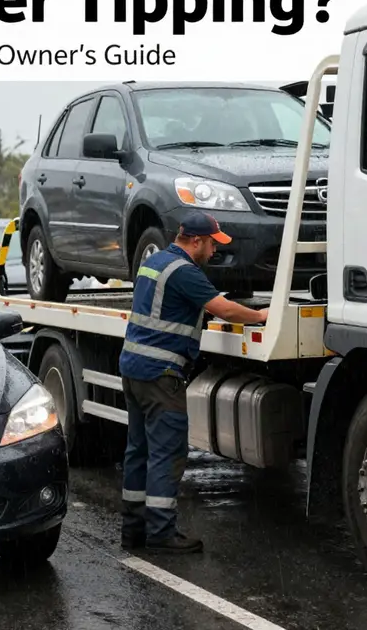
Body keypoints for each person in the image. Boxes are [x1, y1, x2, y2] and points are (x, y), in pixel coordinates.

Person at [118, 211, 269, 553]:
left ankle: (134, 530)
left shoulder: (153, 262)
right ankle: (160, 534)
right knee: (166, 455)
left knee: (138, 452)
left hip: (134, 369)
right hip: (162, 375)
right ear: (196, 241)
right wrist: (261, 315)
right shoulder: (185, 272)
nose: (215, 252)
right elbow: (225, 310)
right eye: (213, 244)